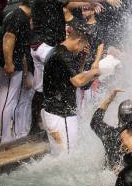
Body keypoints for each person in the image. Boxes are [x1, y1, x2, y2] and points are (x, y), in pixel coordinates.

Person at [29, 0, 121, 136]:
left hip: (40, 46)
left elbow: (72, 3)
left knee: (45, 88)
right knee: (71, 82)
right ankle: (49, 122)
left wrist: (90, 3)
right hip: (46, 47)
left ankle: (40, 124)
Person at [41, 26, 101, 155]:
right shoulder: (64, 55)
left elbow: (76, 78)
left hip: (54, 112)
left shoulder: (57, 51)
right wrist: (94, 72)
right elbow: (78, 82)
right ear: (78, 41)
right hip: (61, 114)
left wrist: (83, 59)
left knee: (60, 156)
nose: (80, 50)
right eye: (82, 46)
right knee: (68, 156)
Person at [0, 0, 32, 145]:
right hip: (7, 64)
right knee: (7, 100)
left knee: (9, 100)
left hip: (11, 62)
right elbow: (9, 37)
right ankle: (3, 138)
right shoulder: (19, 16)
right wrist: (8, 62)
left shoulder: (18, 15)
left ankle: (5, 136)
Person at [90, 88, 132, 168]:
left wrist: (110, 99)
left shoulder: (110, 133)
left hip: (110, 176)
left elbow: (95, 121)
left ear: (119, 116)